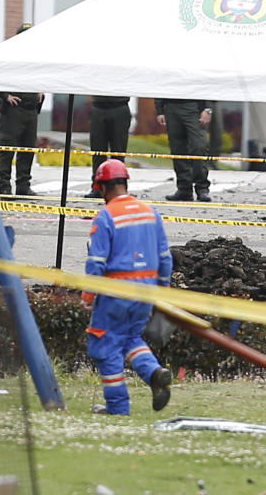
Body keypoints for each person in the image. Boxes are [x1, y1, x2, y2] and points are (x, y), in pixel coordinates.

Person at [81, 159, 173, 415]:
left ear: (101, 187)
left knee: (104, 346)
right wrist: (162, 290)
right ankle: (155, 373)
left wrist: (88, 295)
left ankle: (117, 407)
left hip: (115, 294)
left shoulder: (106, 216)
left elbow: (97, 262)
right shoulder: (150, 212)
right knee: (130, 338)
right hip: (146, 292)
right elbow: (165, 257)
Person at [0, 23, 43, 196]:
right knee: (8, 150)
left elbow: (41, 77)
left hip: (31, 110)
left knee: (28, 149)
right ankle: (5, 186)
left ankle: (23, 185)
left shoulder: (35, 58)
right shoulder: (8, 57)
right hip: (13, 110)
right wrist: (5, 95)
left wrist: (41, 89)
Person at [155, 98, 212, 202]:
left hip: (195, 106)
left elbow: (209, 84)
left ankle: (202, 188)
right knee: (177, 149)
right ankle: (184, 188)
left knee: (199, 147)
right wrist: (159, 110)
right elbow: (160, 84)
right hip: (171, 105)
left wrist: (208, 108)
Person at [87, 95, 131, 198]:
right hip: (98, 107)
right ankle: (97, 187)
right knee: (97, 151)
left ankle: (119, 187)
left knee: (118, 152)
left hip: (119, 106)